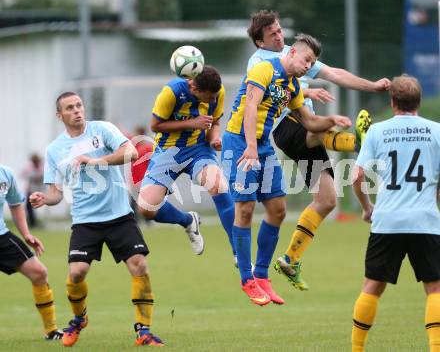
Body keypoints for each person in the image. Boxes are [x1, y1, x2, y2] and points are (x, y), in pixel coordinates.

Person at [246, 10, 391, 290]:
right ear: (259, 42)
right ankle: (359, 142)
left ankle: (291, 258)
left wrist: (372, 86)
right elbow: (259, 96)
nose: (279, 36)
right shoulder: (258, 63)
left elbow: (334, 74)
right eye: (272, 34)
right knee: (317, 130)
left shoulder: (296, 53)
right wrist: (304, 93)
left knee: (327, 199)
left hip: (305, 128)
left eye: (279, 30)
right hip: (284, 126)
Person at [222, 34, 352, 306]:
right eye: (306, 60)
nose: (308, 66)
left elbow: (309, 121)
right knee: (244, 210)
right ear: (292, 52)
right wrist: (250, 147)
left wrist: (331, 120)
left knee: (278, 210)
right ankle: (247, 279)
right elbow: (250, 106)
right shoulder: (264, 69)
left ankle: (262, 276)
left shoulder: (292, 86)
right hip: (239, 143)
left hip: (262, 146)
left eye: (312, 63)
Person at [29, 92, 163, 347]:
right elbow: (56, 193)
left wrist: (96, 161)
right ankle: (79, 319)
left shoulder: (102, 129)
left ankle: (143, 331)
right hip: (85, 220)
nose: (77, 110)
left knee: (139, 266)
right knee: (77, 273)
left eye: (79, 105)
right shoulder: (55, 150)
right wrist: (44, 199)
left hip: (119, 215)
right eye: (70, 108)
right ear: (60, 115)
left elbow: (131, 152)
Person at [351, 75, 440, 352]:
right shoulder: (437, 131)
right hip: (425, 221)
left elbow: (357, 176)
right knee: (435, 289)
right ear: (419, 102)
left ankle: (357, 349)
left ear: (392, 103)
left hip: (387, 221)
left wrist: (367, 208)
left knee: (372, 287)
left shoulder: (377, 132)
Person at [138, 65, 236, 259]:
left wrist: (214, 138)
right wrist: (191, 123)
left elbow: (214, 122)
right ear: (194, 89)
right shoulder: (171, 92)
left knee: (218, 185)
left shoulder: (218, 90)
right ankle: (188, 220)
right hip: (168, 150)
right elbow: (155, 126)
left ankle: (238, 253)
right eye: (210, 97)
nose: (214, 100)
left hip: (198, 148)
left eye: (216, 95)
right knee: (146, 208)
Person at [0, 164, 63, 340]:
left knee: (39, 273)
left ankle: (51, 331)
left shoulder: (5, 173)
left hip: (1, 237)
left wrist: (26, 234)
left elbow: (15, 203)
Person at [21, 153, 44, 227]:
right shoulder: (29, 168)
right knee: (29, 207)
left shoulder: (42, 168)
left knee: (32, 206)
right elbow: (22, 174)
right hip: (30, 191)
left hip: (40, 190)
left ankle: (33, 222)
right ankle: (32, 222)